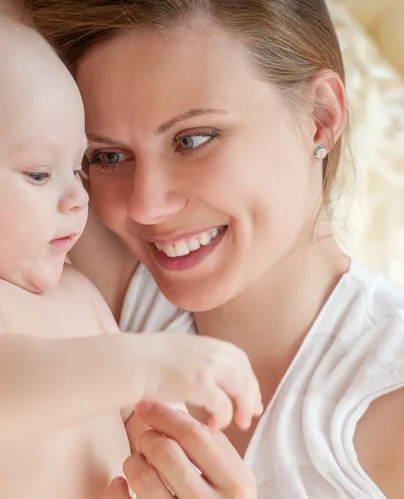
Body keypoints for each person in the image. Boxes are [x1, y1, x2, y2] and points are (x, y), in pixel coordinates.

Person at [0, 5, 263, 499]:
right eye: (40, 173)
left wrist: (180, 458)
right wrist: (150, 362)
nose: (78, 198)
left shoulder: (79, 292)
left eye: (79, 168)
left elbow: (141, 418)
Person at [23, 0, 404, 497]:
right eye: (109, 155)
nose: (145, 205)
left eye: (194, 138)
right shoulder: (104, 283)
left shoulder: (389, 399)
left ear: (320, 118)